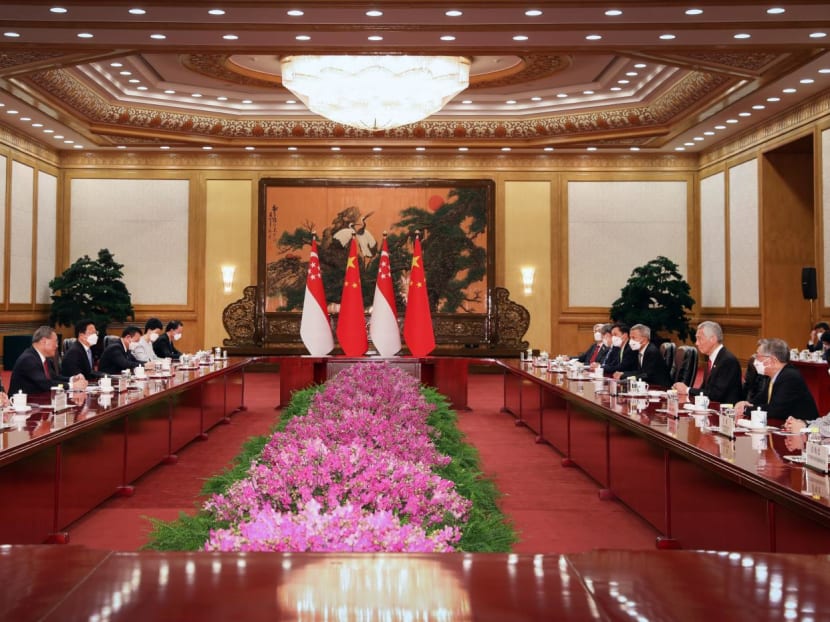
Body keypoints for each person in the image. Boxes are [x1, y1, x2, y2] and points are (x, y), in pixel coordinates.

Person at [734, 338, 819, 423]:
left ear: (772, 361)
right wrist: (746, 404)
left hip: (804, 429)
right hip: (783, 425)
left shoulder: (790, 377)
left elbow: (775, 410)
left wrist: (746, 410)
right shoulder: (775, 375)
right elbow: (761, 399)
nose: (755, 360)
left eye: (758, 356)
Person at [672, 321, 742, 404]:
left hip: (724, 411)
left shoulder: (728, 361)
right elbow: (705, 390)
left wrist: (687, 390)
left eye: (700, 339)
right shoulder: (712, 359)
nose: (696, 343)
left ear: (713, 339)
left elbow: (715, 395)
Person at [9, 326, 88, 395]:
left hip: (38, 402)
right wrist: (72, 386)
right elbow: (45, 383)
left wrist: (72, 379)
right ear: (44, 341)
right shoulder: (28, 359)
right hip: (20, 406)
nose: (57, 346)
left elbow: (53, 378)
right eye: (55, 341)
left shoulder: (43, 358)